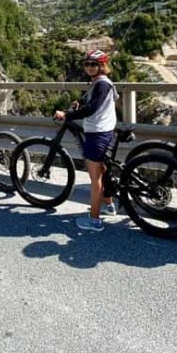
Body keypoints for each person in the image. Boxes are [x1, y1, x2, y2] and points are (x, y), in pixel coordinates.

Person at [54, 50, 118, 233]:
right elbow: (91, 100)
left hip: (97, 134)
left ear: (102, 65)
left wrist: (67, 114)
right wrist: (79, 102)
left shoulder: (102, 84)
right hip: (103, 131)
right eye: (87, 64)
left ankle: (95, 220)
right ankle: (109, 205)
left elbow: (92, 109)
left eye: (94, 64)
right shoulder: (98, 83)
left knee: (94, 177)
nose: (89, 67)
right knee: (102, 170)